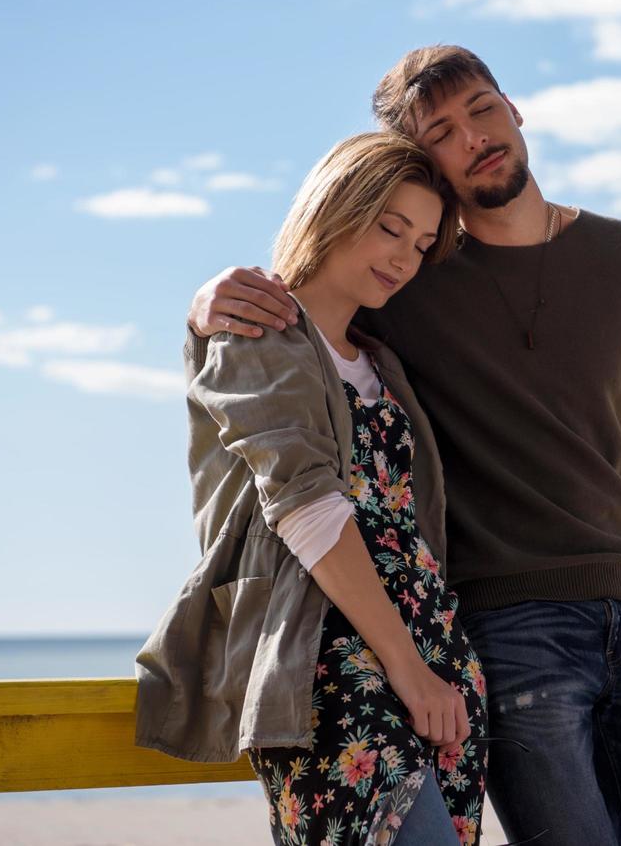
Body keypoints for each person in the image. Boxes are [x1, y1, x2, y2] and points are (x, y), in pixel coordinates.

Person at [187, 46, 621, 846]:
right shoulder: (407, 282)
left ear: (514, 109)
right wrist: (202, 304)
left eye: (483, 109)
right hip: (500, 626)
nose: (474, 138)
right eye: (443, 132)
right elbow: (291, 340)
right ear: (420, 159)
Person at [136, 132, 489, 846]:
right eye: (389, 227)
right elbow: (304, 507)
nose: (402, 256)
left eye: (421, 244)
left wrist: (432, 669)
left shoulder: (386, 363)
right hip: (327, 665)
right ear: (334, 205)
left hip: (437, 663)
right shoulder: (258, 330)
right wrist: (407, 669)